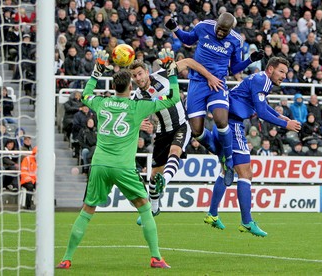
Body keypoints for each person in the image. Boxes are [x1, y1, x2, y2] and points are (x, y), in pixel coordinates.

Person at [57, 49, 180, 270]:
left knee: (87, 210)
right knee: (144, 207)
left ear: (113, 87)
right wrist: (171, 71)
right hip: (123, 167)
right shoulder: (137, 106)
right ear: (130, 87)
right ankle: (156, 257)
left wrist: (96, 72)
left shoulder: (102, 103)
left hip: (100, 164)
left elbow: (85, 96)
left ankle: (66, 258)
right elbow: (174, 98)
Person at [203, 57, 301, 236]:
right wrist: (285, 125)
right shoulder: (262, 80)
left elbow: (260, 106)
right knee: (246, 173)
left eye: (286, 73)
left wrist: (281, 117)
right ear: (270, 69)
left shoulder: (260, 80)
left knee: (227, 170)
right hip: (232, 125)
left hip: (224, 122)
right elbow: (261, 113)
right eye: (281, 72)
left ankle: (212, 214)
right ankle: (246, 221)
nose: (284, 76)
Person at [164, 12, 264, 185]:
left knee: (221, 120)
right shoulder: (203, 26)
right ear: (216, 23)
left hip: (217, 83)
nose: (220, 33)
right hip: (197, 82)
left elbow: (234, 69)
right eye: (219, 29)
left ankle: (229, 159)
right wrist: (175, 29)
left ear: (230, 29)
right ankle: (222, 154)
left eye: (224, 31)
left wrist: (249, 60)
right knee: (196, 131)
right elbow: (188, 40)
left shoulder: (235, 40)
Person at [129, 56, 222, 223]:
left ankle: (165, 181)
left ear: (147, 72)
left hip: (181, 125)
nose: (138, 78)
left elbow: (188, 62)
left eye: (139, 74)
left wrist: (209, 76)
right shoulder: (136, 97)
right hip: (161, 132)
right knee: (153, 175)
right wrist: (140, 124)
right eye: (134, 76)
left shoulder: (162, 75)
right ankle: (154, 208)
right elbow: (132, 119)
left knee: (175, 152)